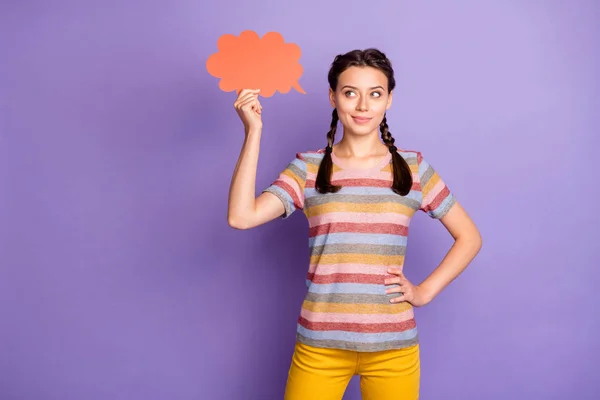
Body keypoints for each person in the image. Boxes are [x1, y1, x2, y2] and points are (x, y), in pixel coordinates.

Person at [227, 48, 482, 400]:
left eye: (375, 94)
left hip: (394, 349)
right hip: (320, 346)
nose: (363, 106)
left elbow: (469, 237)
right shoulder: (309, 169)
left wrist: (423, 293)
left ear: (389, 99)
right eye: (350, 93)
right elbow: (241, 217)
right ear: (333, 97)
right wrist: (253, 132)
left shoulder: (413, 168)